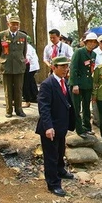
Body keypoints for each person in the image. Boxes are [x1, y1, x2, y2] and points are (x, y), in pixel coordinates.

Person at [35, 56, 76, 197]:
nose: (66, 69)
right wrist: (48, 127)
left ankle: (60, 170)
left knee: (60, 151)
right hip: (50, 127)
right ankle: (53, 183)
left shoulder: (64, 82)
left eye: (67, 66)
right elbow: (44, 107)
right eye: (62, 66)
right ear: (54, 67)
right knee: (51, 156)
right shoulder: (48, 84)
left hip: (61, 125)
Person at [0, 16, 28, 118]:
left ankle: (19, 109)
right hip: (6, 65)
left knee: (18, 89)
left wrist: (22, 60)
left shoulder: (23, 36)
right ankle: (9, 110)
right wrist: (1, 61)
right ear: (8, 24)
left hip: (19, 65)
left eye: (17, 24)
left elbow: (24, 51)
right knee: (8, 89)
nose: (15, 26)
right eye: (13, 24)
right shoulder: (1, 36)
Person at [69, 32, 98, 137]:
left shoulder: (94, 54)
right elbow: (73, 68)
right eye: (90, 42)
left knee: (86, 107)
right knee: (76, 108)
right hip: (78, 84)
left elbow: (91, 70)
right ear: (86, 42)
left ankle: (87, 127)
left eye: (94, 42)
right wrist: (74, 84)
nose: (92, 44)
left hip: (88, 84)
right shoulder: (79, 52)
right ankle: (79, 129)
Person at [22, 34, 39, 107]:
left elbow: (27, 57)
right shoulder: (29, 47)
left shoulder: (27, 47)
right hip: (33, 66)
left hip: (30, 67)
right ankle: (34, 96)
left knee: (26, 83)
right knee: (31, 82)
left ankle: (28, 98)